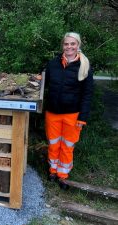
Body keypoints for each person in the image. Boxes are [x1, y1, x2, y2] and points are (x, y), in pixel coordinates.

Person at [44, 32, 94, 189]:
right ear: (62, 46)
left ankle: (63, 175)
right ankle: (52, 170)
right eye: (66, 44)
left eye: (73, 44)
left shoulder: (84, 66)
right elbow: (43, 83)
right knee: (53, 144)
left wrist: (82, 118)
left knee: (67, 146)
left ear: (78, 45)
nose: (69, 47)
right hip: (52, 112)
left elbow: (87, 94)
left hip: (73, 115)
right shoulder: (53, 64)